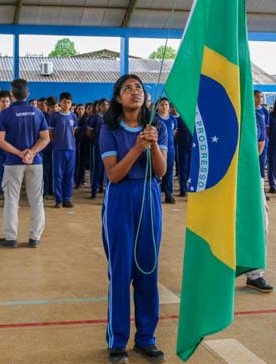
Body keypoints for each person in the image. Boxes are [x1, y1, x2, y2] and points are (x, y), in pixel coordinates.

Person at [99, 75, 168, 364]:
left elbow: (161, 172)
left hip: (148, 199)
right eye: (127, 88)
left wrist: (151, 145)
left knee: (148, 271)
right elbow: (114, 174)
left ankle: (146, 339)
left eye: (138, 87)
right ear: (118, 98)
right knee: (120, 271)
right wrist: (137, 148)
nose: (134, 92)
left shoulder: (158, 127)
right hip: (120, 199)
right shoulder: (110, 129)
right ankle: (117, 341)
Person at [0, 78, 50, 248]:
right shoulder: (37, 113)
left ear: (11, 95)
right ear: (27, 94)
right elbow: (45, 138)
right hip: (35, 162)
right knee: (36, 200)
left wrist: (20, 153)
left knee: (12, 200)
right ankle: (35, 238)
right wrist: (32, 152)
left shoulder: (5, 114)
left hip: (13, 162)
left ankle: (11, 238)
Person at [246, 94, 273, 293]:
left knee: (259, 222)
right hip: (225, 179)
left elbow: (259, 145)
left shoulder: (257, 117)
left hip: (252, 176)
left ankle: (255, 273)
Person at [49, 92, 78, 208]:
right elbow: (50, 133)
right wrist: (56, 144)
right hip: (58, 150)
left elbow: (73, 132)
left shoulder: (73, 116)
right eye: (64, 102)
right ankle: (58, 199)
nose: (67, 104)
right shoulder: (55, 117)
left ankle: (67, 198)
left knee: (69, 175)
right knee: (58, 175)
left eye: (69, 102)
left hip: (71, 150)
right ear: (60, 103)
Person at [155, 98, 177, 204]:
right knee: (157, 173)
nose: (164, 107)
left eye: (166, 105)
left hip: (171, 149)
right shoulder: (154, 119)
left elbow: (174, 132)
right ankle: (155, 194)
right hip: (157, 149)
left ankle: (169, 194)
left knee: (169, 172)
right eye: (162, 104)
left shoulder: (173, 119)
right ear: (158, 106)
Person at [89, 99, 109, 198]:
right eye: (103, 105)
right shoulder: (94, 118)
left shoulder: (110, 118)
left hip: (108, 148)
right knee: (96, 168)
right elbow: (89, 132)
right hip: (96, 146)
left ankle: (103, 188)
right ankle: (94, 190)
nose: (105, 107)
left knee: (106, 169)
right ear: (99, 107)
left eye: (107, 105)